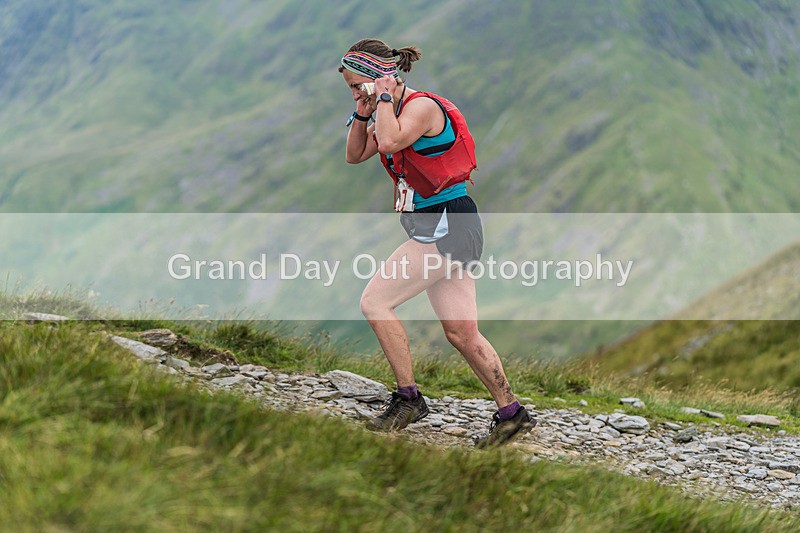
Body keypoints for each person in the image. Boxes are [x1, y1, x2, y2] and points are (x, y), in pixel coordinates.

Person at [339, 38, 536, 447]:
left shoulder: (421, 108)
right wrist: (363, 112)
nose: (357, 92)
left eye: (360, 84)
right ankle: (512, 413)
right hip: (449, 226)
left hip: (446, 225)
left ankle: (408, 399)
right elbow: (355, 155)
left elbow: (391, 143)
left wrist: (384, 101)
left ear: (380, 76)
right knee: (462, 333)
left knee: (375, 302)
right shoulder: (382, 109)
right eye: (351, 88)